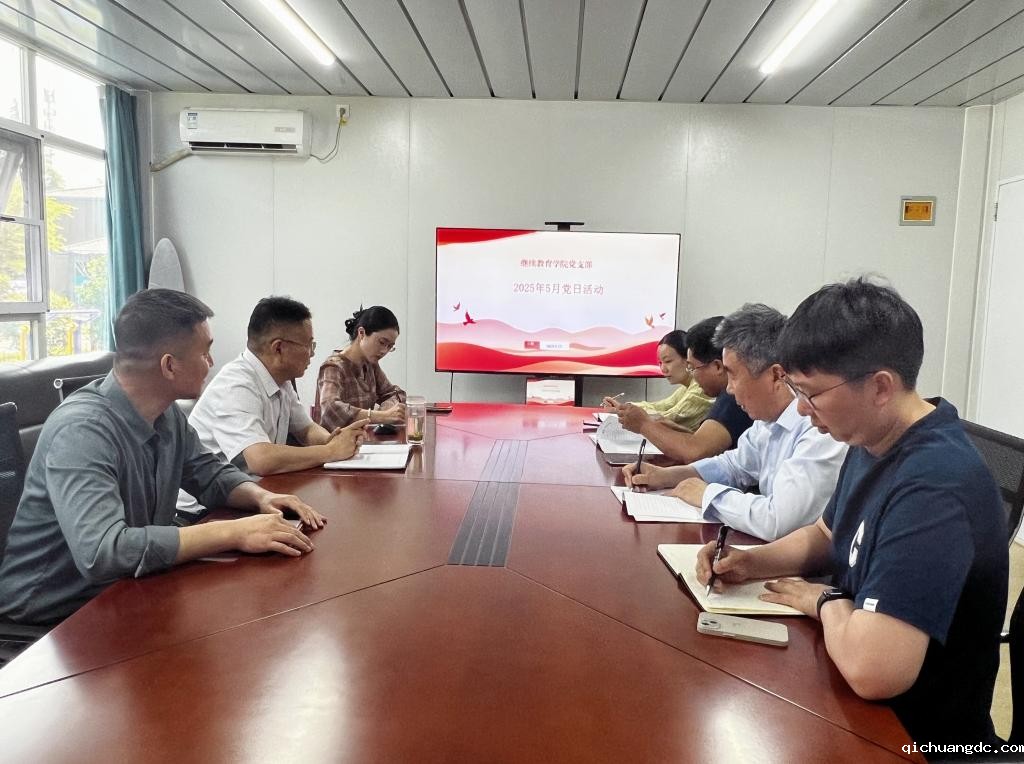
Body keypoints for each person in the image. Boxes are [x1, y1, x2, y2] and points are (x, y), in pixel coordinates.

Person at [695, 279, 1007, 747]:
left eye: (811, 393)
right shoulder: (871, 438)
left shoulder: (935, 486)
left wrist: (823, 601)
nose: (802, 410)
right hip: (849, 698)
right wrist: (751, 562)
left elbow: (873, 670)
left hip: (917, 740)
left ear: (880, 386)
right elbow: (825, 534)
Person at [0, 289, 325, 626]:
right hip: (50, 619)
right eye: (205, 352)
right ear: (169, 366)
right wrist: (235, 533)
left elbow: (209, 474)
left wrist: (261, 497)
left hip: (127, 590)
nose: (211, 363)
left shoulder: (166, 414)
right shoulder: (81, 431)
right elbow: (104, 552)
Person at [625, 304, 847, 540]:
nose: (729, 389)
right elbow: (734, 466)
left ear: (775, 375)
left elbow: (779, 521)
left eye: (733, 375)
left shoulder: (818, 428)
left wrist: (708, 495)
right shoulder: (766, 420)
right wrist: (665, 476)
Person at [186, 296, 367, 478]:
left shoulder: (281, 380)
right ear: (278, 348)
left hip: (249, 485)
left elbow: (306, 430)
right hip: (207, 495)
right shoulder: (235, 385)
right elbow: (260, 459)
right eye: (308, 345)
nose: (311, 354)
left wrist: (333, 440)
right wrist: (331, 451)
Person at [617, 316, 753, 464]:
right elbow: (715, 450)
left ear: (717, 366)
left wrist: (644, 425)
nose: (692, 374)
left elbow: (695, 451)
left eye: (692, 367)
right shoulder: (729, 392)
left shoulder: (733, 396)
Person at [601, 329, 713, 433]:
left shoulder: (701, 387)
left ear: (687, 359)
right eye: (660, 363)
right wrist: (623, 407)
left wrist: (625, 411)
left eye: (668, 361)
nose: (663, 369)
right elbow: (660, 406)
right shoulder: (686, 387)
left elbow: (670, 418)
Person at [314, 305, 406, 429]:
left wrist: (387, 408)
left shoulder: (370, 365)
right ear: (361, 333)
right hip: (335, 440)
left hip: (362, 438)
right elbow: (330, 410)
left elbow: (395, 393)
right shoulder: (333, 367)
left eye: (390, 346)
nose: (384, 351)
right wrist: (380, 416)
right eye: (382, 342)